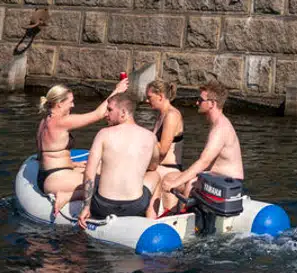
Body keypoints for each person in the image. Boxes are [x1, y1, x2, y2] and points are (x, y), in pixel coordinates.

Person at [35, 76, 129, 214]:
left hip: (49, 174)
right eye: (71, 102)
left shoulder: (44, 121)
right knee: (106, 183)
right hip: (55, 178)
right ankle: (68, 196)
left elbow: (43, 153)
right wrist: (117, 90)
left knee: (102, 168)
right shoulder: (61, 121)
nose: (73, 105)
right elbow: (98, 114)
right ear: (59, 104)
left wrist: (71, 164)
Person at [76, 93, 162, 227]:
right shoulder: (150, 137)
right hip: (135, 207)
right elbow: (153, 166)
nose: (106, 114)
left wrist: (86, 207)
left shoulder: (103, 134)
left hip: (102, 207)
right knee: (155, 176)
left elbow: (89, 173)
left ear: (123, 112)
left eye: (110, 110)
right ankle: (151, 215)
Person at [159, 82, 245, 214]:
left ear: (212, 103)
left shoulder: (220, 129)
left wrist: (176, 183)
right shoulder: (217, 124)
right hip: (217, 178)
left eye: (200, 100)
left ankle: (175, 219)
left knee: (177, 181)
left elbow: (203, 162)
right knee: (174, 178)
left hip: (228, 182)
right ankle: (172, 214)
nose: (197, 103)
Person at [146, 80, 185, 214]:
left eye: (149, 97)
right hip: (158, 166)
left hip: (169, 169)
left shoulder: (172, 115)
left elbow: (162, 149)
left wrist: (142, 137)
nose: (146, 100)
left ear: (160, 96)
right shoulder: (161, 115)